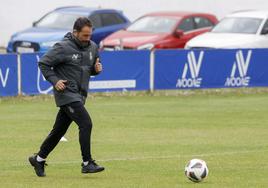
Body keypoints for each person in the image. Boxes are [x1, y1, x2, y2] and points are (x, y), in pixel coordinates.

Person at [28, 17, 104, 177]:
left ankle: (39, 159)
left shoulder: (93, 47)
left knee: (58, 131)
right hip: (67, 95)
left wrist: (96, 69)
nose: (87, 38)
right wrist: (55, 81)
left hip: (80, 95)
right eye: (84, 35)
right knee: (86, 123)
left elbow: (88, 69)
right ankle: (87, 163)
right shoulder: (62, 47)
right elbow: (43, 63)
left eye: (89, 35)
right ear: (75, 32)